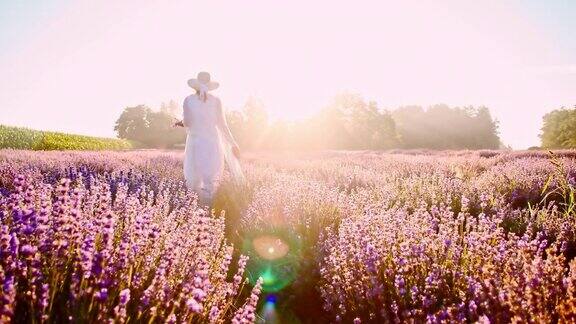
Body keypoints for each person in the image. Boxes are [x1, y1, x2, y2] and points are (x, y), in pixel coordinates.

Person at [174, 72, 242, 206]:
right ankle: (208, 209)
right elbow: (222, 125)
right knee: (209, 178)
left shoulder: (188, 100)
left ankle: (196, 210)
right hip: (212, 142)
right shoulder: (216, 101)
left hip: (195, 142)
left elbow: (188, 122)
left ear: (195, 86)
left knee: (195, 178)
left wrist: (179, 123)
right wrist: (233, 143)